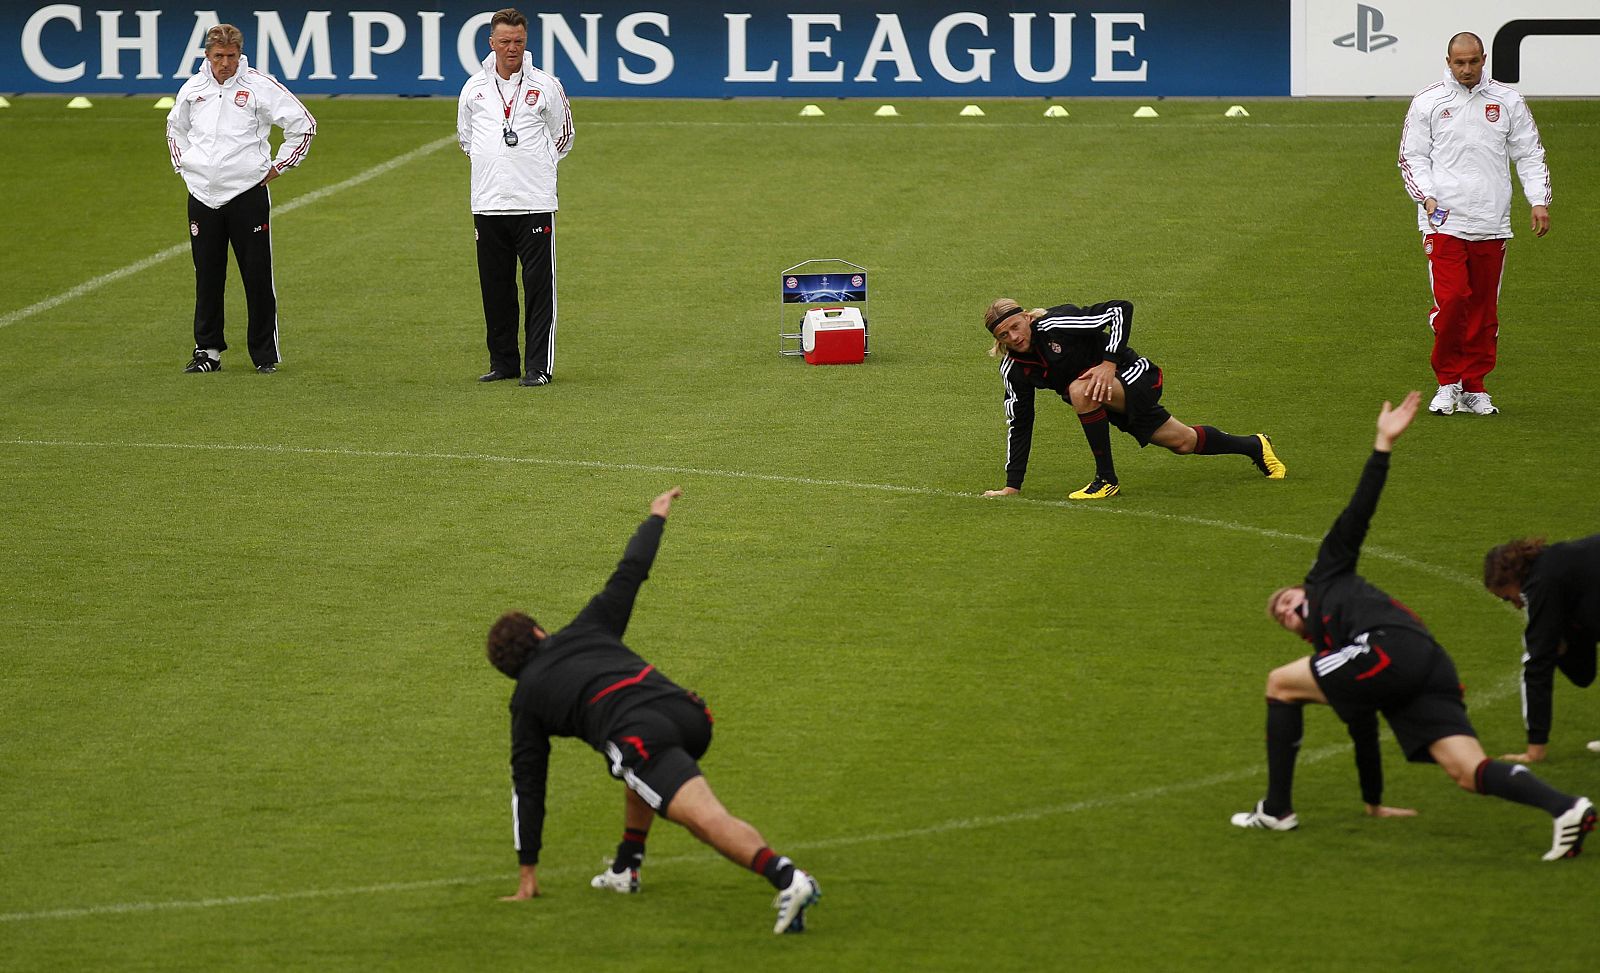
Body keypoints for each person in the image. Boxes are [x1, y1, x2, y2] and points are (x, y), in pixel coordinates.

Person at [1231, 392, 1595, 861]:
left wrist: (1383, 447)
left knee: (1280, 684)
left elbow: (1356, 516)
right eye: (1281, 617)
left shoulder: (1329, 574)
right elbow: (1361, 728)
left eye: (1285, 599)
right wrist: (1374, 802)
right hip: (1425, 672)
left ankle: (1276, 810)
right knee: (1468, 771)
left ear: (1303, 588)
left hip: (1394, 648)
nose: (1284, 609)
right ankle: (1566, 808)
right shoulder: (1337, 659)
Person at [486, 487, 822, 934]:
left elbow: (528, 786)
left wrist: (527, 871)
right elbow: (629, 572)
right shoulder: (587, 626)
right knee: (636, 775)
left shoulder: (526, 700)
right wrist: (655, 517)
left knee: (703, 819)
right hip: (687, 712)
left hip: (645, 736)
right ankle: (627, 868)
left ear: (509, 672)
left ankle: (787, 878)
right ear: (540, 631)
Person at [980, 297, 1285, 500]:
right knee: (1183, 442)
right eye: (1004, 335)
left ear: (1025, 317)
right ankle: (1255, 445)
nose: (1015, 337)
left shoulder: (1057, 323)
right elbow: (1020, 423)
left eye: (1016, 326)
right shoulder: (1014, 369)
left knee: (1078, 390)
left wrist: (1109, 362)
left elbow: (1119, 309)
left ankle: (1106, 479)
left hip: (1135, 376)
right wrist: (1012, 486)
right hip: (1104, 399)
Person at [1398, 31, 1551, 417]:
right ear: (1447, 62)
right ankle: (1447, 383)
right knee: (1452, 304)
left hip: (1492, 222)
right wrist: (1427, 195)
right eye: (1459, 63)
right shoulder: (1428, 102)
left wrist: (1538, 200)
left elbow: (1529, 153)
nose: (1467, 69)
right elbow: (1411, 157)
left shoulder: (1508, 101)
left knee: (1483, 310)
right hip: (1442, 221)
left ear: (1484, 59)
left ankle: (1475, 387)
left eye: (1473, 61)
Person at [166, 23, 316, 375]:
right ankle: (208, 352)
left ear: (240, 54)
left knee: (257, 275)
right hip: (202, 195)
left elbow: (303, 124)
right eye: (218, 57)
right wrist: (185, 166)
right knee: (207, 275)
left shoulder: (259, 86)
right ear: (207, 55)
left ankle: (264, 355)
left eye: (231, 56)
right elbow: (175, 128)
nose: (225, 64)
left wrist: (280, 165)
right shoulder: (193, 89)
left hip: (247, 194)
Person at [457, 7, 573, 387]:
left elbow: (564, 135)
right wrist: (497, 165)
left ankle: (538, 367)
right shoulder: (473, 88)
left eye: (519, 42)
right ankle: (503, 362)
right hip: (488, 203)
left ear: (527, 43)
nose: (512, 48)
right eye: (505, 41)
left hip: (534, 202)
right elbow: (466, 139)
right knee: (496, 287)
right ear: (491, 43)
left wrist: (537, 166)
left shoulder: (547, 86)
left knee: (540, 289)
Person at [1483, 533, 1600, 763]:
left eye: (1509, 598)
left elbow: (1537, 666)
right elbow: (1584, 673)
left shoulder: (1543, 584)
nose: (1517, 605)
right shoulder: (1555, 569)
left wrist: (1535, 750)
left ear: (1514, 578)